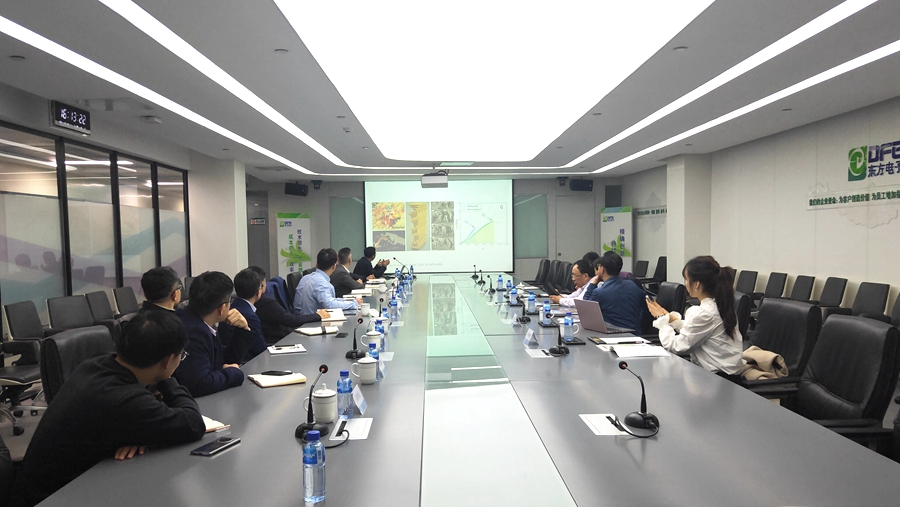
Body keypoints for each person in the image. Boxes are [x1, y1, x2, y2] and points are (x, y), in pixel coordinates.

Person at [10, 312, 205, 507]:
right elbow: (193, 423)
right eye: (181, 355)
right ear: (167, 361)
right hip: (53, 499)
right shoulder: (125, 399)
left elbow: (133, 415)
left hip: (52, 488)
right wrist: (168, 379)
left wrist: (139, 433)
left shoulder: (96, 364)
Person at [647, 255, 744, 376]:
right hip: (726, 376)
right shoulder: (720, 306)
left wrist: (661, 320)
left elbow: (676, 346)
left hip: (716, 380)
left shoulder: (704, 313)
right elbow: (695, 330)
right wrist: (668, 317)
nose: (685, 284)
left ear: (697, 284)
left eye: (686, 279)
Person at [174, 271, 248, 397]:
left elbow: (225, 359)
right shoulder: (193, 332)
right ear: (222, 308)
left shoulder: (197, 321)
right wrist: (234, 373)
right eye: (230, 301)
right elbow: (200, 383)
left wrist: (243, 329)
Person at [248, 267, 329, 344]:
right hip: (277, 341)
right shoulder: (266, 302)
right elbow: (291, 320)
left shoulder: (242, 303)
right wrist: (317, 315)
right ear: (262, 284)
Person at [582, 252, 645, 331]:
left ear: (601, 269)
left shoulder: (599, 292)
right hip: (635, 333)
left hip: (613, 334)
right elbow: (648, 306)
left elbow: (585, 309)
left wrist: (593, 284)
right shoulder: (632, 285)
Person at [217, 268, 267, 363]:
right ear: (258, 292)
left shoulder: (232, 306)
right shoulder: (249, 316)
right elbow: (261, 349)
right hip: (244, 362)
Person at [294, 248, 362, 315]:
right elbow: (330, 305)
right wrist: (353, 304)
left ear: (317, 264)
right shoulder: (320, 282)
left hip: (313, 317)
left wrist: (348, 301)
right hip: (315, 320)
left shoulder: (314, 277)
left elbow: (331, 300)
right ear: (334, 266)